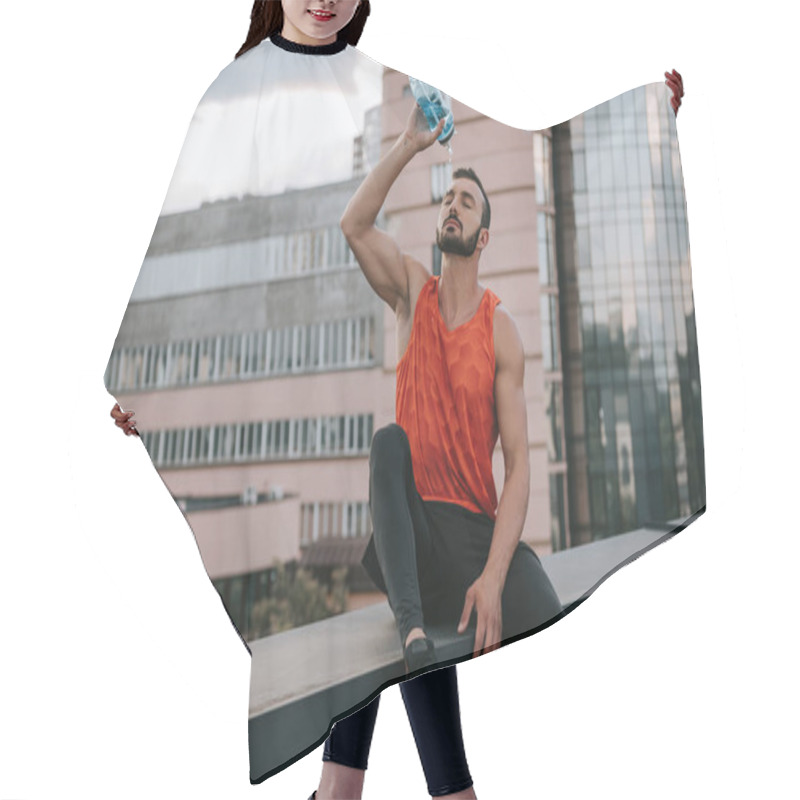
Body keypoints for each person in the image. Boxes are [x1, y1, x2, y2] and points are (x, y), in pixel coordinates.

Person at [109, 4, 686, 799]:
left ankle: (348, 785)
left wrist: (649, 108)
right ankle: (415, 696)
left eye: (469, 205)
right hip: (408, 536)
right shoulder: (410, 291)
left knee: (529, 603)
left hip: (473, 535)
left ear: (483, 239)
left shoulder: (502, 331)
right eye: (448, 199)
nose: (453, 207)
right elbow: (353, 222)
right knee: (388, 447)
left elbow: (519, 471)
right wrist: (414, 141)